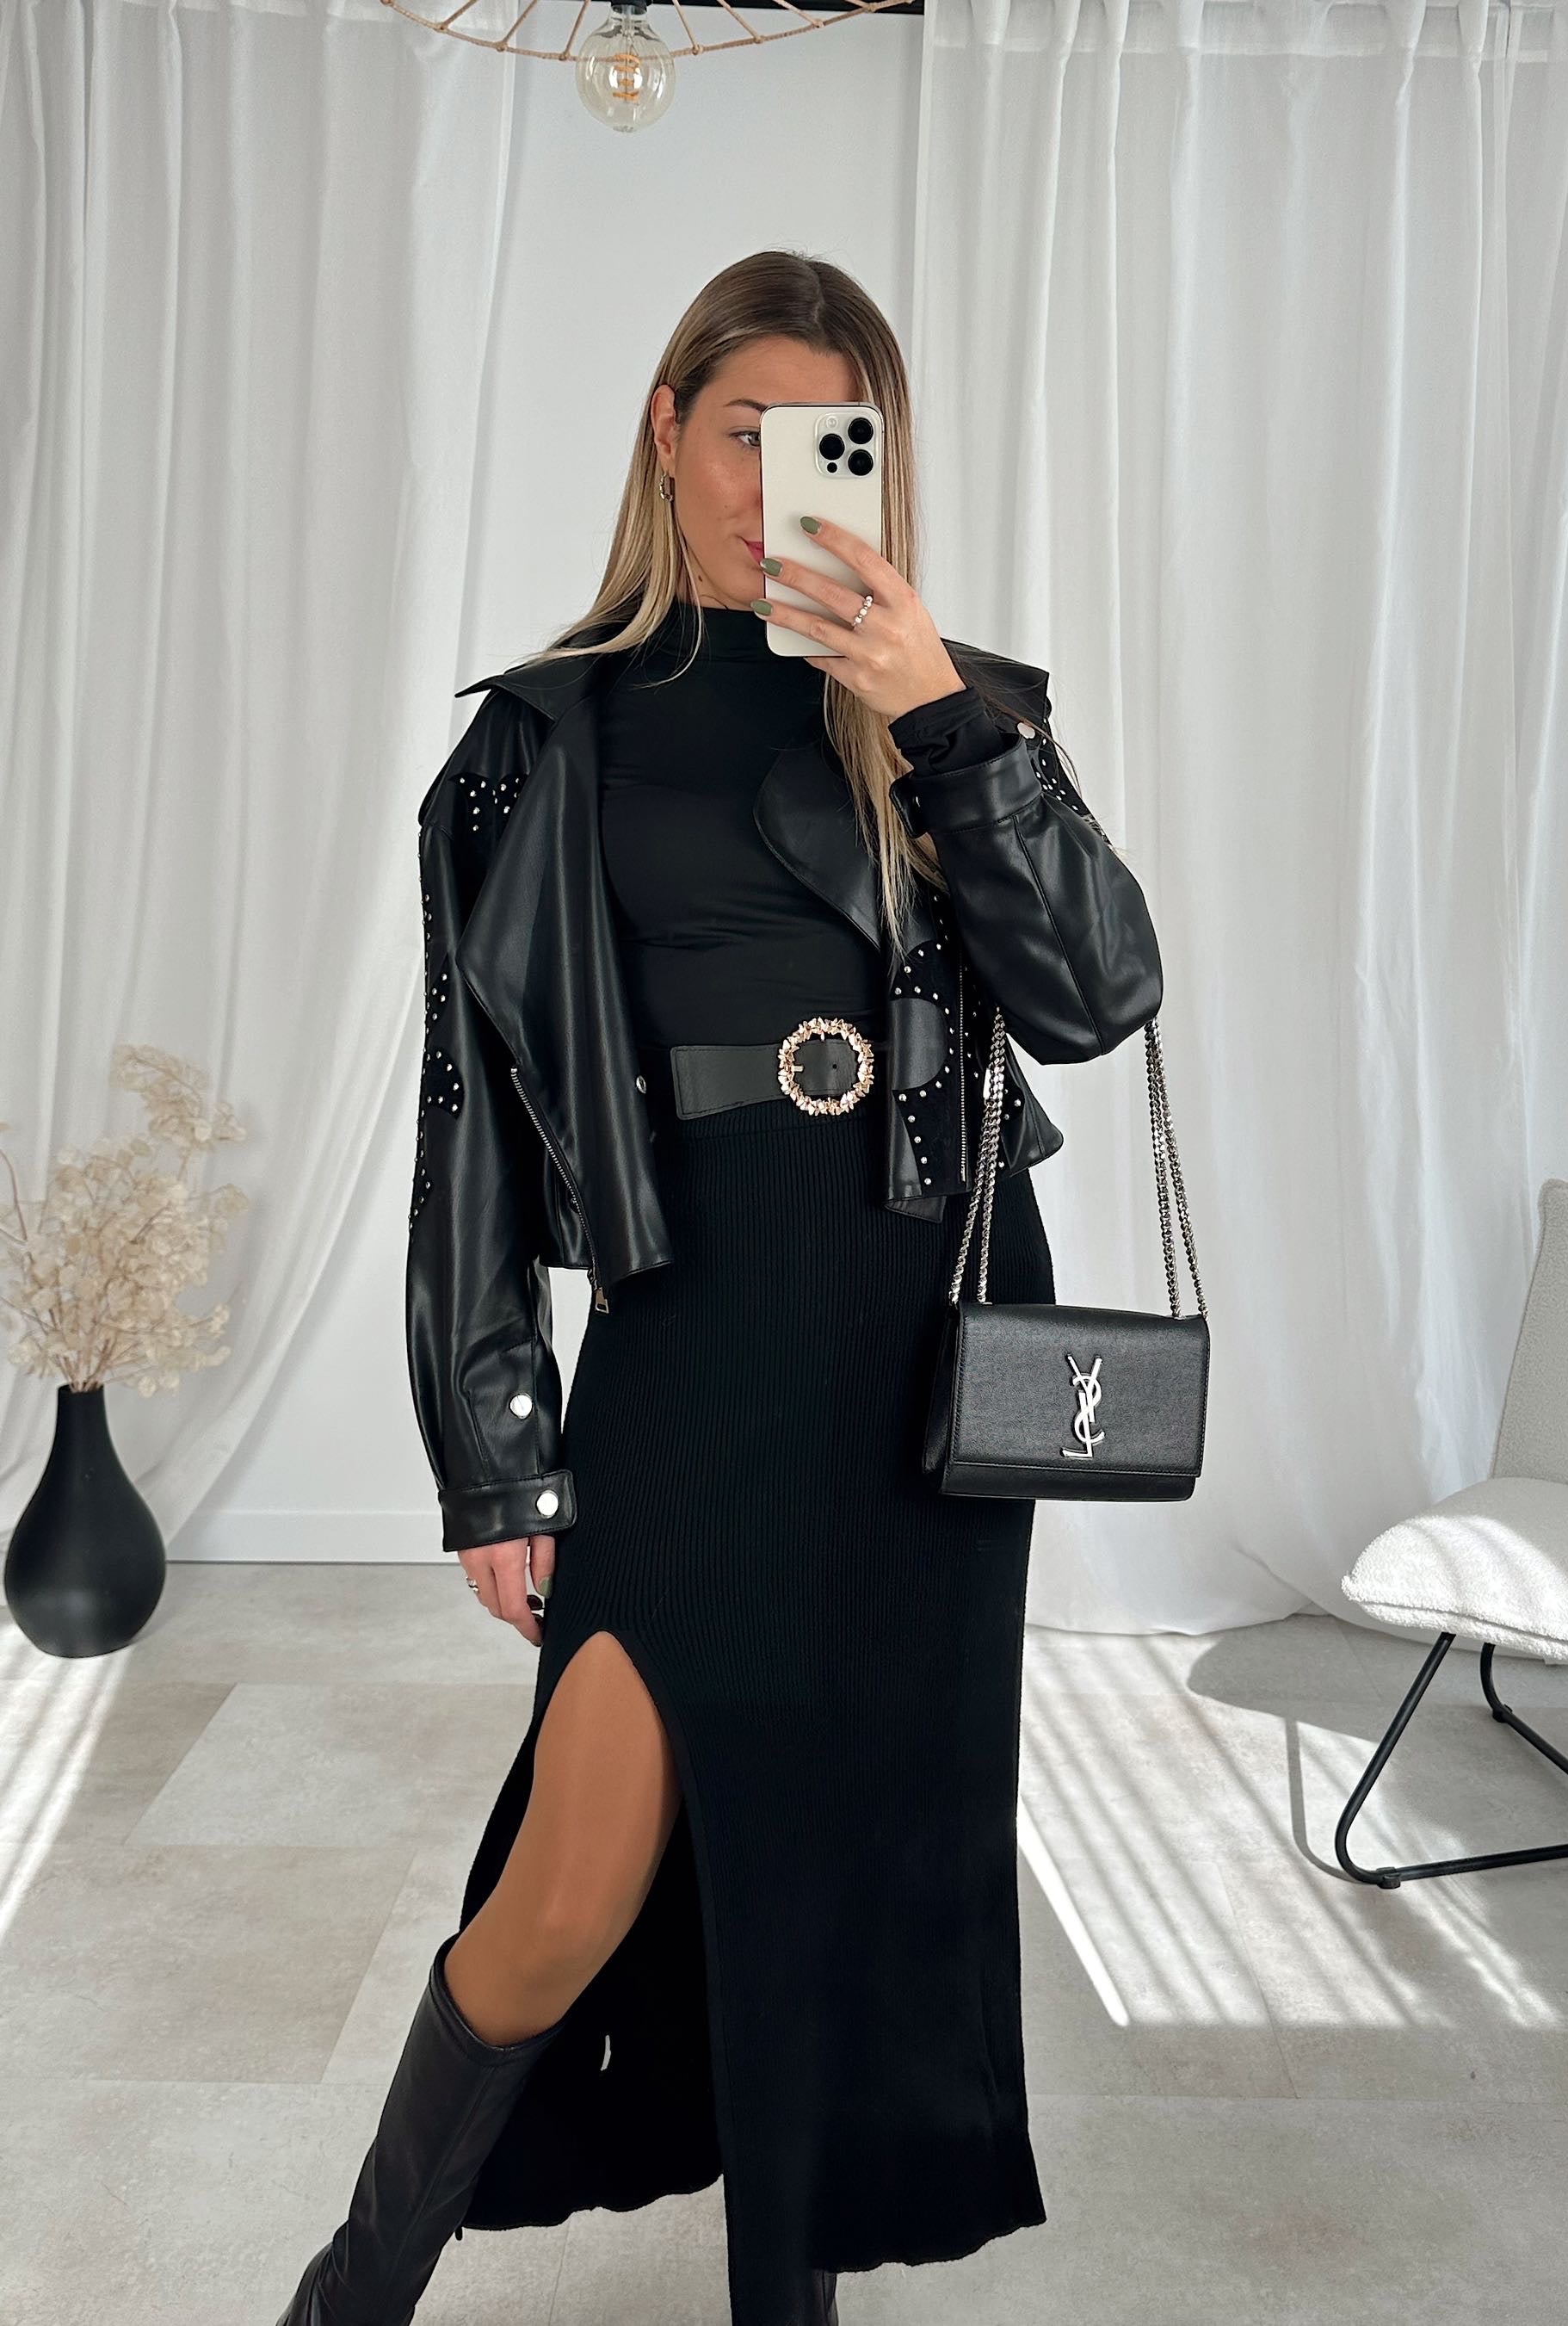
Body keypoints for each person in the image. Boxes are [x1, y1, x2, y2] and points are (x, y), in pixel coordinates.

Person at [275, 249, 1163, 2326]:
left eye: (822, 440)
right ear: (666, 434)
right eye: (742, 431)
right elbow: (468, 1120)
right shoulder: (538, 743)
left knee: (844, 1868)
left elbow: (1097, 993)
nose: (775, 481)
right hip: (693, 1337)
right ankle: (348, 2291)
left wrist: (938, 716)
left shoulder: (956, 710)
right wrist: (495, 1447)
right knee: (568, 1883)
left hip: (925, 1340)